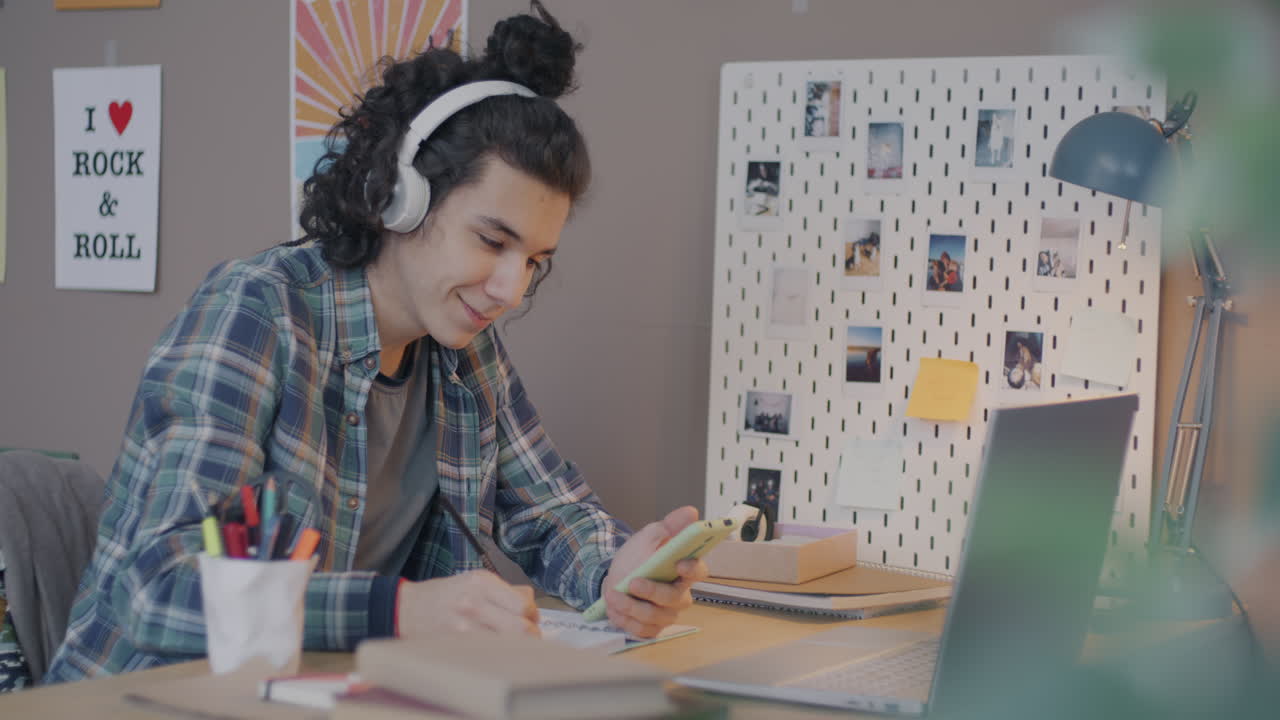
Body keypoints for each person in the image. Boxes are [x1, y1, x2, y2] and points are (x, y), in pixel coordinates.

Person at [45, 2, 707, 683]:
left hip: (316, 696)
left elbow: (552, 513)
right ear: (401, 198)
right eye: (492, 240)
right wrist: (399, 610)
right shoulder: (255, 313)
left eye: (534, 259)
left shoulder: (464, 352)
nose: (511, 289)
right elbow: (157, 587)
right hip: (147, 697)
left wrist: (616, 570)